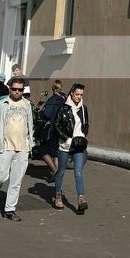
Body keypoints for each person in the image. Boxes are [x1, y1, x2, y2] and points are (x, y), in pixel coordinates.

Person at [0, 76, 34, 221]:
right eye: (14, 89)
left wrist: (31, 144)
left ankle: (10, 209)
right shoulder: (2, 104)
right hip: (4, 147)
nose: (17, 92)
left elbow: (30, 125)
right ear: (10, 89)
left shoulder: (27, 105)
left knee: (16, 181)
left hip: (22, 148)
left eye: (20, 90)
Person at [52, 82, 89, 214]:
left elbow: (86, 125)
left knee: (78, 172)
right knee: (61, 171)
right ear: (72, 93)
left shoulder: (83, 109)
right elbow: (56, 126)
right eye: (77, 94)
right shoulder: (63, 108)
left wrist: (82, 136)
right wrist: (66, 138)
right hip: (65, 145)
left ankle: (81, 199)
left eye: (81, 95)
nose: (79, 97)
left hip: (78, 145)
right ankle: (58, 196)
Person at [34, 80, 66, 180]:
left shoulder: (52, 100)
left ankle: (55, 171)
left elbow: (47, 114)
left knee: (43, 151)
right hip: (60, 130)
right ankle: (57, 175)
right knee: (54, 152)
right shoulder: (64, 100)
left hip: (50, 129)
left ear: (53, 89)